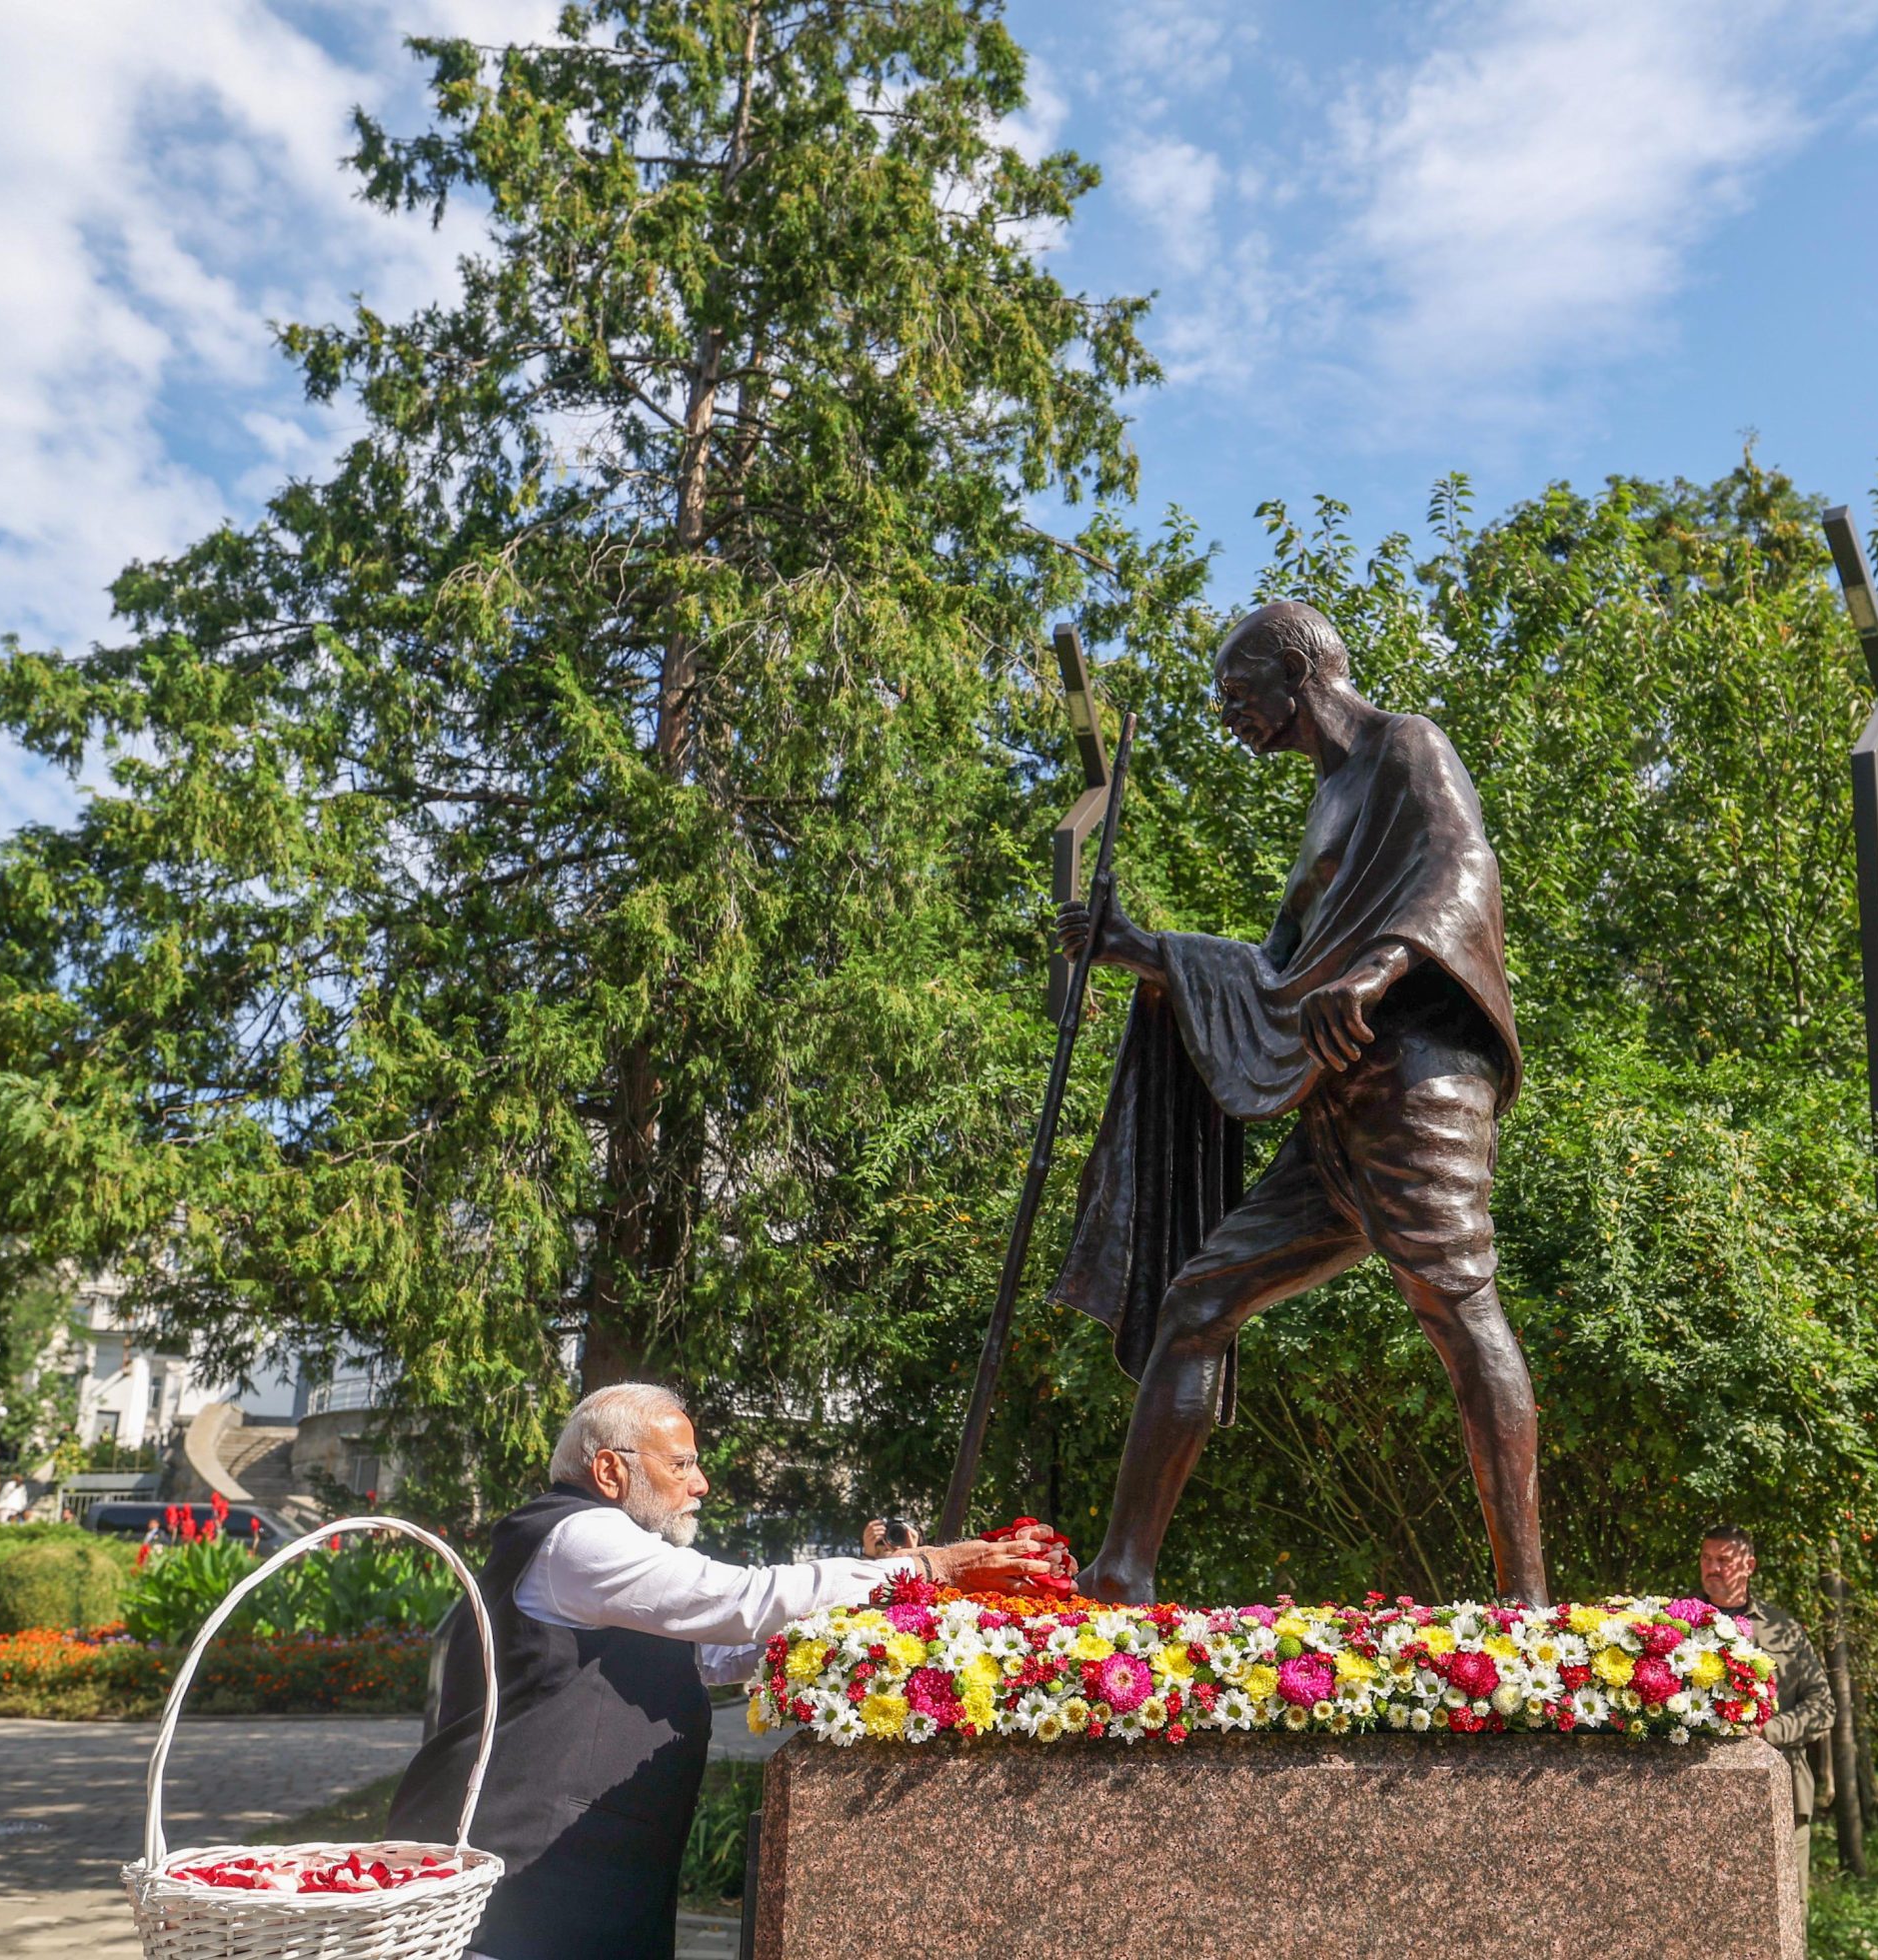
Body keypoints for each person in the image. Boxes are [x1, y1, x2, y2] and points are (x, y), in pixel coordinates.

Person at [1054, 599, 1545, 1606]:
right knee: (1197, 1302)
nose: (1227, 711)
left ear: (1297, 671)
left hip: (1415, 1072)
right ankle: (1120, 1573)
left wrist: (1371, 974)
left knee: (1455, 1306)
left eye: (1237, 690)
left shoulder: (1406, 746)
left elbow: (1462, 871)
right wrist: (1138, 948)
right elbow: (1277, 970)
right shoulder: (1324, 800)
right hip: (1331, 1107)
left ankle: (1527, 1601)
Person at [389, 1383, 1062, 1960]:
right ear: (608, 1469)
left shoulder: (600, 1553)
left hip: (582, 1877)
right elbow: (742, 1600)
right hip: (521, 1885)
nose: (700, 1483)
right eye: (680, 1463)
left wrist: (886, 1596)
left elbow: (730, 1648)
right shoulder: (579, 1534)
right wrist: (933, 1568)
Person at [1699, 1523, 1834, 1900]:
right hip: (1698, 1797)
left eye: (1724, 1559)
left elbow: (1823, 1708)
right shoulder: (1679, 1625)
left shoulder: (1782, 1630)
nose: (1714, 1568)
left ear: (1749, 1565)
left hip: (1783, 1792)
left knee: (1789, 1914)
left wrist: (1768, 1731)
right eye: (1707, 1559)